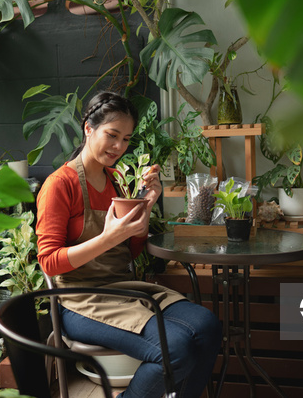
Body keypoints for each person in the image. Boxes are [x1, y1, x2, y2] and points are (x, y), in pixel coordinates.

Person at [36, 90, 222, 398]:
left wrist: (147, 206)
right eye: (112, 135)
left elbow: (129, 251)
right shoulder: (60, 185)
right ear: (88, 128)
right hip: (80, 300)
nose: (119, 146)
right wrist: (108, 236)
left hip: (123, 288)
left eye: (126, 139)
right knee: (175, 348)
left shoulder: (116, 182)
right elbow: (50, 262)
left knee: (207, 326)